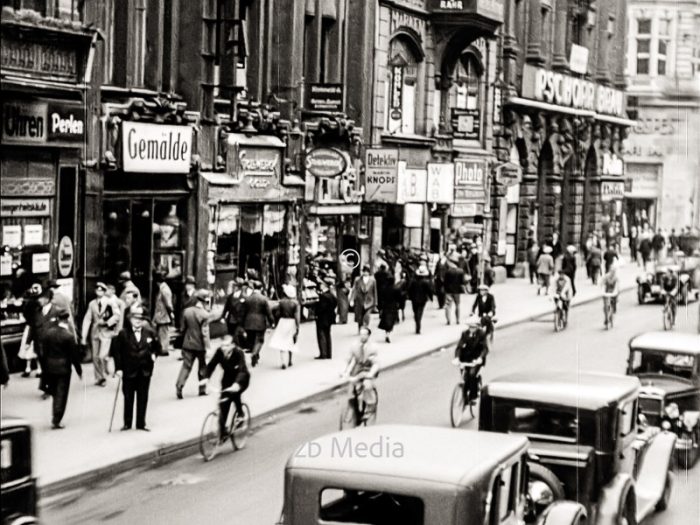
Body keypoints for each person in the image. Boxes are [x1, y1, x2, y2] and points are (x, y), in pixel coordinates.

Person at [112, 304, 162, 431]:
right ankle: (127, 423)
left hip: (145, 371)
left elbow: (158, 347)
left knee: (143, 397)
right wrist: (118, 369)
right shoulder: (123, 334)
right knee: (128, 397)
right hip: (129, 371)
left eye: (140, 319)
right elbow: (117, 353)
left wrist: (154, 355)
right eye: (135, 319)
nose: (138, 321)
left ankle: (141, 423)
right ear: (130, 320)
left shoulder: (149, 332)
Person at [201, 332, 250, 442]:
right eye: (222, 345)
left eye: (227, 345)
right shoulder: (220, 352)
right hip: (227, 378)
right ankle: (223, 433)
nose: (224, 348)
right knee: (223, 404)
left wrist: (237, 384)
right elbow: (211, 365)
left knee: (234, 394)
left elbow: (242, 369)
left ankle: (241, 415)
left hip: (241, 378)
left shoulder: (238, 353)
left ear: (232, 345)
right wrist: (206, 377)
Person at [42, 307, 83, 429]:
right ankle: (57, 418)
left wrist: (44, 367)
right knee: (62, 393)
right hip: (63, 368)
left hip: (50, 366)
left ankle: (55, 412)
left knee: (55, 392)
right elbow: (74, 356)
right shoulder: (68, 336)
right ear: (67, 320)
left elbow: (44, 352)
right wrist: (78, 370)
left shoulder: (48, 333)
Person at [81, 282, 120, 387]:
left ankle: (104, 376)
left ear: (104, 291)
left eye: (101, 290)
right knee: (95, 357)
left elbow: (117, 315)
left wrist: (107, 323)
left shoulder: (110, 302)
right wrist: (83, 336)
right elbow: (87, 319)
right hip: (95, 332)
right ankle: (99, 378)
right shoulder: (92, 304)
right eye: (97, 290)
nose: (99, 292)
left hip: (106, 332)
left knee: (102, 356)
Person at [176, 289, 211, 398]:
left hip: (188, 343)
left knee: (186, 366)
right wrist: (208, 347)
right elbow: (205, 333)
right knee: (202, 367)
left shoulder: (187, 311)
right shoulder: (205, 315)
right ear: (204, 301)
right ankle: (202, 389)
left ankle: (179, 385)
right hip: (200, 345)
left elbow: (183, 328)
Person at [341, 327, 379, 420]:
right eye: (361, 334)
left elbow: (375, 364)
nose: (362, 336)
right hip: (357, 370)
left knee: (367, 386)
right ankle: (354, 408)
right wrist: (344, 371)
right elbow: (350, 360)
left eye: (364, 334)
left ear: (368, 336)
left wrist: (371, 373)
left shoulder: (373, 347)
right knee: (353, 388)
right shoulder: (354, 346)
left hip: (368, 370)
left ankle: (369, 407)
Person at [452, 317, 488, 402]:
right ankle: (464, 397)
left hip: (476, 360)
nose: (472, 329)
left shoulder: (481, 334)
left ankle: (473, 395)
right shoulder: (464, 334)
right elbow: (459, 347)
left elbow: (485, 348)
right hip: (465, 359)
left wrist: (480, 358)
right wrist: (457, 358)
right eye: (470, 327)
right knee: (465, 377)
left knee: (472, 374)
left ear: (477, 327)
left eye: (474, 327)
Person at [242, 281, 274, 367]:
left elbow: (243, 312)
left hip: (248, 322)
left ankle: (256, 357)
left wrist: (242, 323)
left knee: (251, 340)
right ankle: (254, 354)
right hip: (260, 323)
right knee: (260, 340)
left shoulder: (247, 298)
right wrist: (272, 322)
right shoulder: (263, 299)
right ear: (261, 288)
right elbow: (268, 312)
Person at [269, 284, 300, 369]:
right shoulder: (295, 303)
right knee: (291, 341)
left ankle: (283, 362)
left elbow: (277, 313)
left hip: (283, 322)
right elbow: (297, 316)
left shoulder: (281, 302)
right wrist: (298, 327)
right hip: (292, 322)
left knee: (282, 342)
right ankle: (290, 360)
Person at [19, 283, 42, 378]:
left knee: (28, 348)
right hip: (39, 327)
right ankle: (39, 369)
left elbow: (24, 314)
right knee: (38, 349)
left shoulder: (29, 302)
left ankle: (27, 368)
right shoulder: (41, 302)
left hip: (30, 327)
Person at [349, 266, 378, 332]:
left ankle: (365, 327)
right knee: (360, 316)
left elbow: (375, 292)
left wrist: (375, 303)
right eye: (364, 271)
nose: (365, 273)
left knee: (367, 316)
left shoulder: (373, 280)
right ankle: (360, 327)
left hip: (369, 301)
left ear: (369, 272)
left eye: (367, 272)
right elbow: (354, 290)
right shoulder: (357, 279)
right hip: (360, 300)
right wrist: (352, 299)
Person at [152, 271, 175, 355]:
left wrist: (171, 313)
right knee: (161, 332)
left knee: (163, 333)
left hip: (163, 315)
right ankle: (162, 348)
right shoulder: (163, 288)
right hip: (161, 315)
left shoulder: (164, 290)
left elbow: (168, 304)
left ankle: (164, 349)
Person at [315, 279, 337, 359]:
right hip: (330, 317)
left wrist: (316, 312)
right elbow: (335, 303)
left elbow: (321, 308)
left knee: (321, 335)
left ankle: (323, 353)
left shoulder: (323, 296)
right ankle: (329, 353)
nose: (320, 285)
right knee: (328, 334)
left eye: (322, 284)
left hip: (322, 317)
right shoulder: (332, 295)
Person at [408, 266, 433, 334]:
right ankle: (418, 323)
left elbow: (409, 290)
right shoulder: (426, 282)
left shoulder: (413, 282)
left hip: (414, 299)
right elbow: (429, 291)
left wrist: (409, 297)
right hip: (422, 299)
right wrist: (431, 298)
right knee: (420, 311)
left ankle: (417, 321)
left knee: (415, 311)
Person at [444, 255, 466, 325]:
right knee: (457, 305)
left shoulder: (448, 272)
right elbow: (463, 282)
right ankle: (458, 319)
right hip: (457, 291)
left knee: (448, 306)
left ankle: (448, 320)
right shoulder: (461, 271)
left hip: (448, 291)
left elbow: (445, 282)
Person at [377, 278, 400, 343]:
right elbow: (399, 298)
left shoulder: (384, 289)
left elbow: (381, 298)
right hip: (393, 307)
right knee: (391, 321)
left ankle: (387, 333)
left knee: (386, 321)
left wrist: (380, 307)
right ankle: (388, 334)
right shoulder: (396, 289)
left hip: (386, 307)